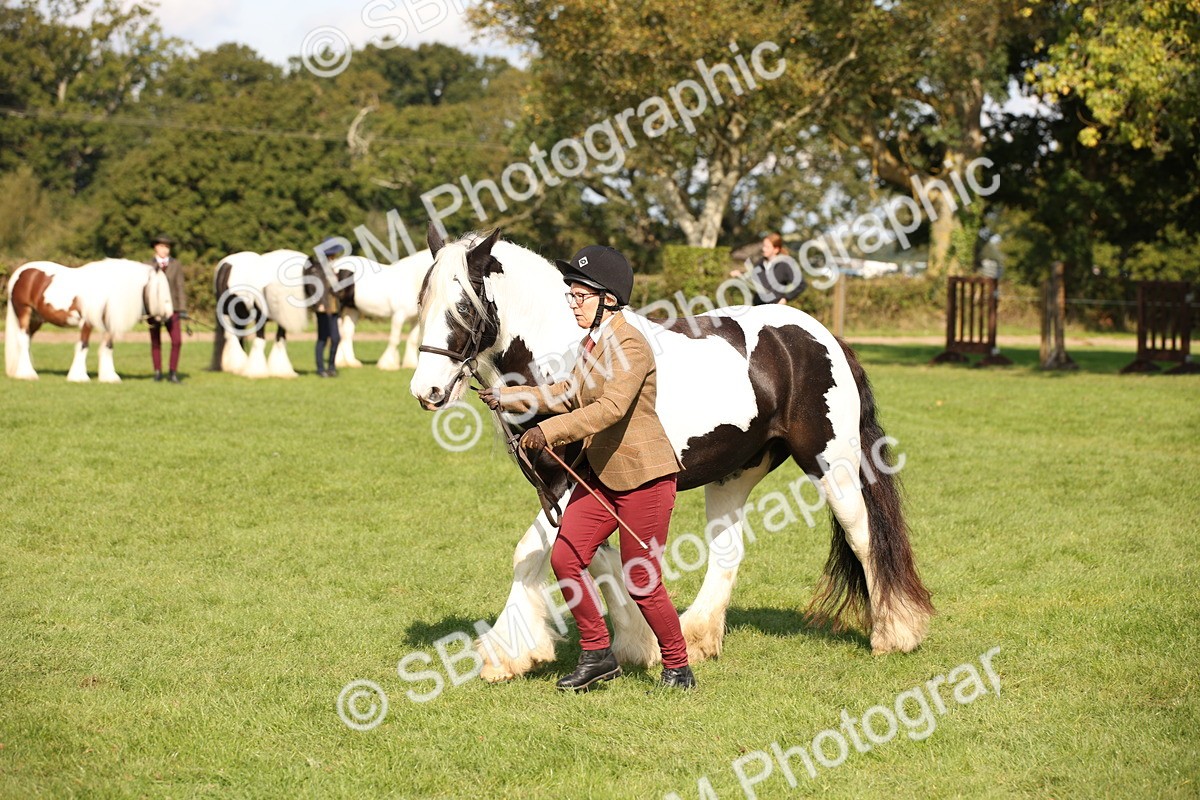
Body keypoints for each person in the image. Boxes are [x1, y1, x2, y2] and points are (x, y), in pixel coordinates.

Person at [478, 245, 696, 692]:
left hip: (644, 478)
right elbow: (567, 391)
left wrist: (550, 432)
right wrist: (510, 397)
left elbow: (610, 408)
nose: (573, 303)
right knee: (566, 556)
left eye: (581, 296)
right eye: (571, 296)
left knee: (641, 579)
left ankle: (678, 666)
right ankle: (597, 654)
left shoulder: (631, 345)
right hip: (601, 474)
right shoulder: (591, 344)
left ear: (608, 299)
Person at [147, 234, 186, 383]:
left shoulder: (176, 265)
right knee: (155, 341)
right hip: (153, 308)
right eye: (161, 246)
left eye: (167, 247)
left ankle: (173, 372)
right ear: (156, 247)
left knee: (177, 341)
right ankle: (157, 372)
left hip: (173, 307)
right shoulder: (147, 265)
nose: (164, 250)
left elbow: (180, 287)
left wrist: (182, 308)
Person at [733, 232, 805, 306]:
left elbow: (801, 284)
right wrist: (740, 274)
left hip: (774, 309)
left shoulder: (784, 265)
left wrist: (785, 298)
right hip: (758, 306)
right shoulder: (760, 263)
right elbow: (753, 278)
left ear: (776, 249)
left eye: (767, 247)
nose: (763, 249)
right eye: (763, 246)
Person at [311, 238, 343, 378]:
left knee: (335, 338)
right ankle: (320, 368)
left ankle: (331, 366)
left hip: (334, 308)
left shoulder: (333, 268)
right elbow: (315, 288)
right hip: (323, 309)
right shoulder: (317, 269)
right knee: (322, 338)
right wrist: (319, 303)